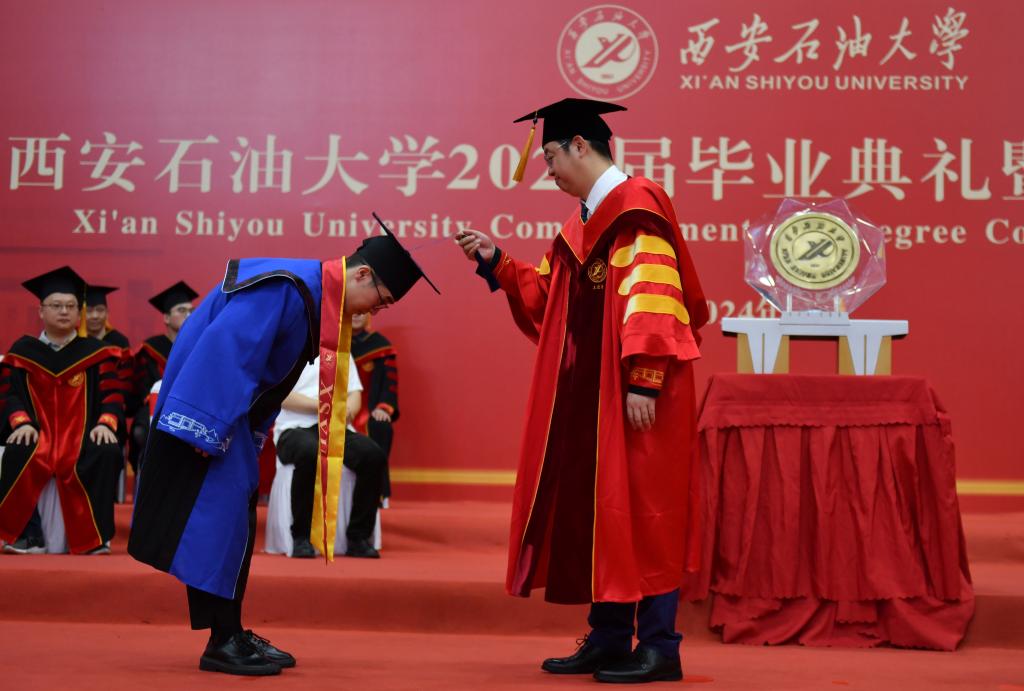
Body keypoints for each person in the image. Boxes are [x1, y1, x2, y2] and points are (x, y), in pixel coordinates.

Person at [457, 98, 708, 684]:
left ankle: (660, 647)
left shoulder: (637, 207)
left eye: (550, 156)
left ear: (579, 145)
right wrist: (496, 262)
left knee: (647, 512)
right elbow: (548, 299)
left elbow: (655, 296)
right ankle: (609, 637)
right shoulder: (580, 226)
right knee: (604, 512)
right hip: (592, 400)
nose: (547, 171)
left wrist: (645, 377)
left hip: (638, 394)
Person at [128, 225, 438, 677]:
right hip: (206, 418)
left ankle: (230, 632)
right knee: (219, 526)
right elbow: (226, 353)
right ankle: (222, 640)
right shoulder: (288, 288)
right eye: (381, 300)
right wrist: (205, 431)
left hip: (227, 420)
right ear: (362, 275)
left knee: (233, 524)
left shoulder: (310, 295)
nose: (376, 311)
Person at [0, 266, 125, 555]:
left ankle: (94, 539)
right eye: (56, 305)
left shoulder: (95, 353)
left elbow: (113, 395)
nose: (64, 311)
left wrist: (105, 423)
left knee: (106, 451)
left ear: (79, 313)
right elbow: (9, 394)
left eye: (71, 306)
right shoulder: (23, 353)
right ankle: (27, 536)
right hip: (38, 434)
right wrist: (21, 423)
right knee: (19, 449)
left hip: (81, 437)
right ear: (41, 311)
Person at [274, 353, 386, 559]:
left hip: (336, 428)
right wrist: (322, 406)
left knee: (372, 455)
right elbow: (281, 394)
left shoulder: (340, 350)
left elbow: (354, 394)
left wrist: (347, 411)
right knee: (309, 451)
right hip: (294, 428)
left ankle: (358, 537)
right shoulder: (288, 348)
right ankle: (301, 537)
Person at [126, 281, 198, 471]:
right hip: (156, 406)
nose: (188, 315)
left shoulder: (200, 346)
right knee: (142, 429)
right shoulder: (150, 349)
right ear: (166, 318)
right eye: (181, 310)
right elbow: (143, 389)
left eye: (191, 310)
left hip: (191, 407)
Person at [350, 312, 399, 500]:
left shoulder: (380, 346)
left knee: (381, 426)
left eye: (362, 311)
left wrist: (383, 408)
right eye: (353, 310)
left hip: (367, 410)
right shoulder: (333, 344)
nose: (357, 315)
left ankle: (376, 492)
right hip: (336, 408)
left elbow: (389, 384)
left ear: (370, 315)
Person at [82, 284, 130, 348]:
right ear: (80, 314)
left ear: (107, 313)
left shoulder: (120, 342)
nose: (95, 316)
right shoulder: (76, 342)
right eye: (89, 311)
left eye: (100, 310)